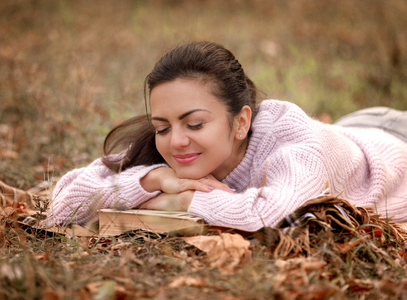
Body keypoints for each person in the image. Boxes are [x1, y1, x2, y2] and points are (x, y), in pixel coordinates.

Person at [46, 41, 407, 231]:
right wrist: (153, 179)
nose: (176, 142)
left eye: (195, 124)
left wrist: (178, 201)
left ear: (240, 122)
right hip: (349, 130)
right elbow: (63, 205)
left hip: (395, 143)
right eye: (162, 127)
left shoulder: (298, 146)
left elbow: (267, 219)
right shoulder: (171, 148)